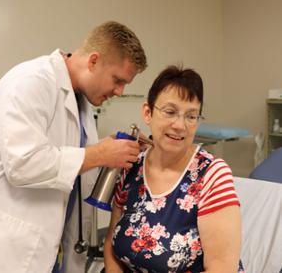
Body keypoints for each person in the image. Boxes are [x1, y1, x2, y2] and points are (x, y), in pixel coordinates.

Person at [0, 21, 147, 273]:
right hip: (12, 245)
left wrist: (110, 150)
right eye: (117, 80)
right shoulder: (31, 81)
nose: (119, 92)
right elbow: (23, 164)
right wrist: (100, 154)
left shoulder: (82, 102)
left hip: (55, 244)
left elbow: (70, 160)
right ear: (93, 61)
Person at [104, 65, 244, 273]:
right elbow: (110, 243)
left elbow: (222, 268)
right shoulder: (131, 166)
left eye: (191, 116)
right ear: (148, 113)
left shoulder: (212, 175)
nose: (180, 125)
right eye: (170, 112)